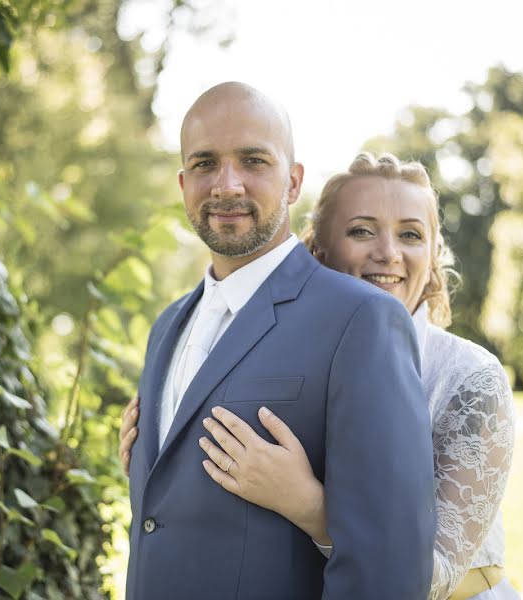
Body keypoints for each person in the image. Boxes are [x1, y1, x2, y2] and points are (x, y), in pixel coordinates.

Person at [121, 152, 519, 599]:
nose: (387, 252)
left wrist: (309, 506)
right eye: (361, 231)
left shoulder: (471, 379)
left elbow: (429, 575)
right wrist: (157, 461)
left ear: (431, 256)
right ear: (318, 251)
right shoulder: (283, 356)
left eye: (410, 234)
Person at [123, 84, 436, 600]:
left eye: (252, 160)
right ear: (183, 184)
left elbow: (388, 566)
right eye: (204, 164)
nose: (226, 185)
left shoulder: (362, 321)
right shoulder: (166, 328)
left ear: (293, 182)